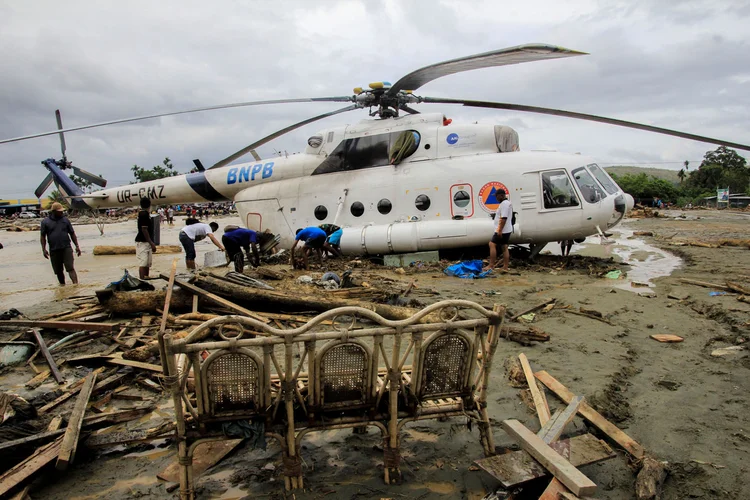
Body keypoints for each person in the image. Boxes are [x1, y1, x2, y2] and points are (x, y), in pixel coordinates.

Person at [40, 202, 81, 285]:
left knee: (70, 268)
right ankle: (62, 287)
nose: (61, 212)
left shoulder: (65, 220)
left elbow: (72, 233)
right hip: (54, 249)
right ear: (54, 211)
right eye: (59, 211)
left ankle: (76, 285)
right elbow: (43, 237)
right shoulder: (45, 222)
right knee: (58, 271)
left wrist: (77, 246)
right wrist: (43, 249)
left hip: (66, 248)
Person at [487, 190, 513, 272]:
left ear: (501, 195)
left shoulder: (504, 204)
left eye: (496, 196)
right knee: (504, 247)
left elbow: (504, 218)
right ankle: (505, 267)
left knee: (492, 244)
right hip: (507, 229)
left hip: (503, 230)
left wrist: (500, 230)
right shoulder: (506, 203)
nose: (496, 198)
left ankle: (491, 265)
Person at [135, 197, 157, 279]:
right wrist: (151, 243)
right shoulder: (143, 214)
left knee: (147, 264)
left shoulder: (146, 214)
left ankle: (146, 278)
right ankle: (142, 281)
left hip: (146, 241)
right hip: (142, 242)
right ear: (150, 204)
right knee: (143, 263)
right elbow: (144, 229)